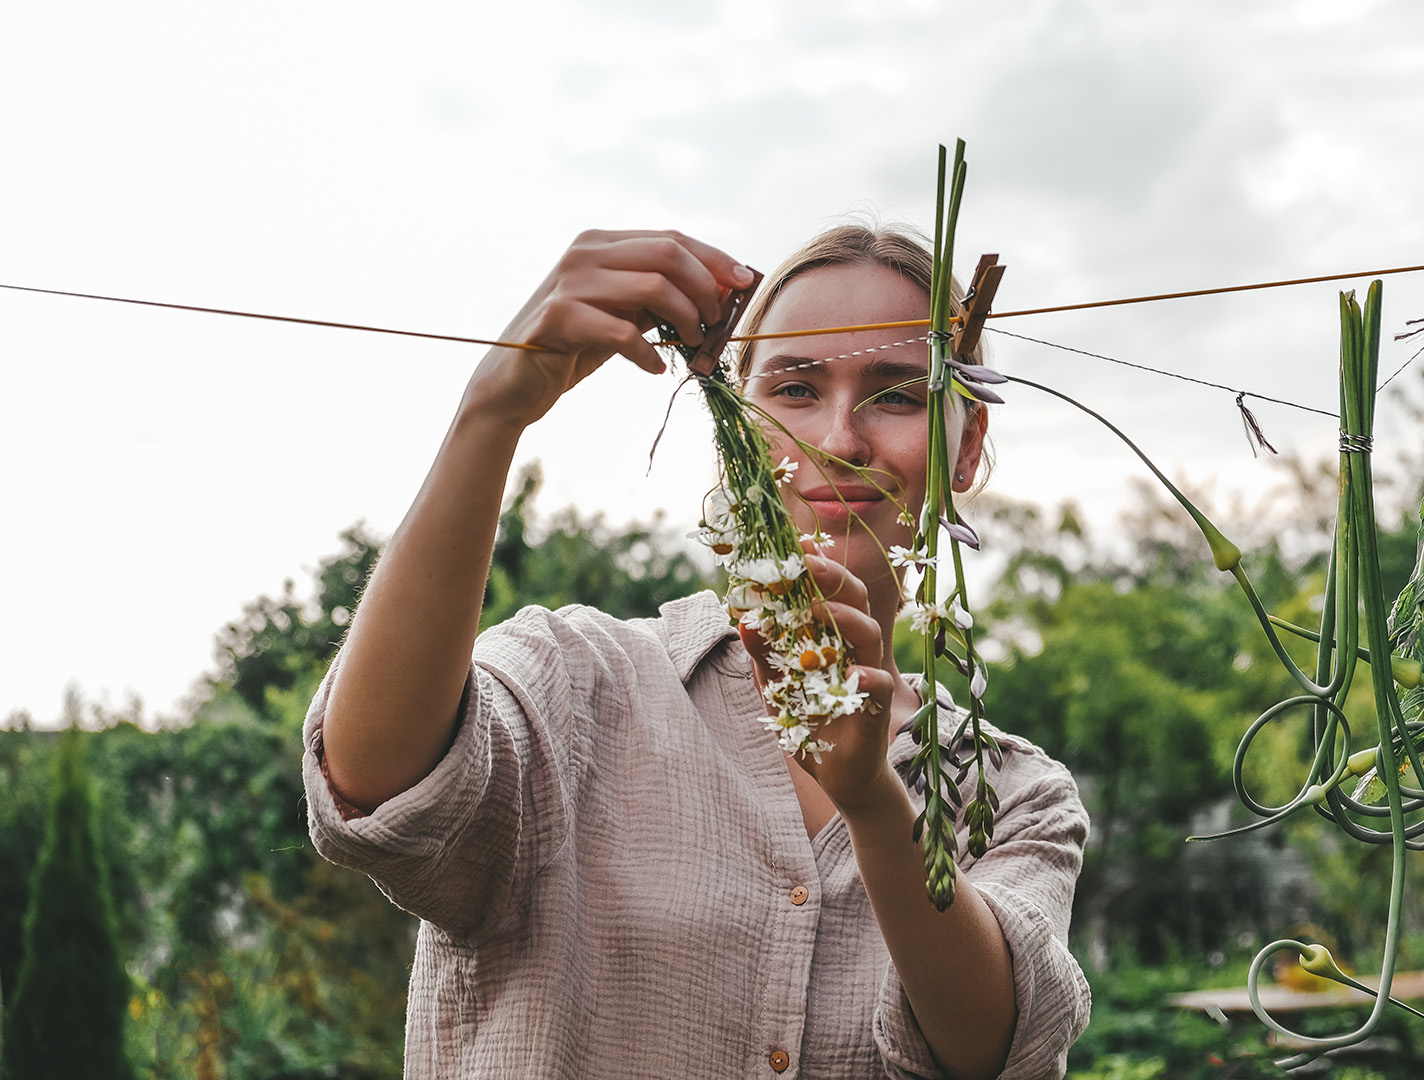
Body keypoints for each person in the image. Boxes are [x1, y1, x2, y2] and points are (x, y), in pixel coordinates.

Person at [303, 225, 1091, 1079]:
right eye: (794, 388)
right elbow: (375, 792)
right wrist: (491, 411)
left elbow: (992, 1047)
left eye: (897, 396)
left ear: (965, 447)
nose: (841, 437)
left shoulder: (1009, 794)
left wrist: (873, 804)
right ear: (733, 431)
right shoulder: (576, 681)